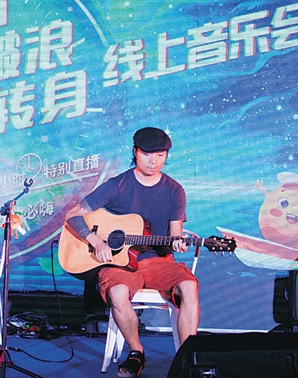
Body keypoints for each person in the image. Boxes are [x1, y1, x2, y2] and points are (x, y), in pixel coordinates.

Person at [64, 127, 199, 378]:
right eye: (147, 154)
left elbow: (174, 236)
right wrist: (96, 242)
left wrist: (177, 243)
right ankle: (137, 352)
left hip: (158, 261)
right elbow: (73, 215)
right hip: (119, 265)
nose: (153, 161)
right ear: (135, 152)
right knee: (117, 293)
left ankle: (187, 358)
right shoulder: (118, 185)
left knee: (189, 287)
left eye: (160, 155)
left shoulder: (174, 190)